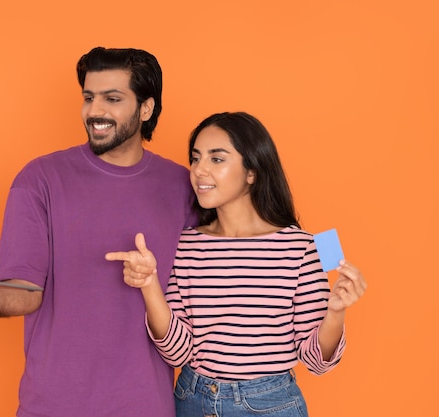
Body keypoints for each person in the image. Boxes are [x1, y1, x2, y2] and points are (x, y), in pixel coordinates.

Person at [0, 47, 196, 416]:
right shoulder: (40, 179)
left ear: (145, 109)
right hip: (53, 405)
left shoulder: (183, 187)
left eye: (112, 99)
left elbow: (205, 298)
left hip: (145, 405)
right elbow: (25, 290)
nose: (95, 111)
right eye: (88, 97)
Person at [105, 111, 367, 417]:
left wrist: (336, 312)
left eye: (217, 159)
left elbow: (316, 362)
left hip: (270, 404)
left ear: (252, 172)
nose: (199, 170)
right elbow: (178, 352)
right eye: (196, 158)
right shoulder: (184, 243)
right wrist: (149, 285)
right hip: (192, 400)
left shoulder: (302, 246)